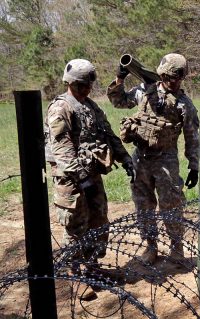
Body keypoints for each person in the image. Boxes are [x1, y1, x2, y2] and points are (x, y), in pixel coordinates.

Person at [44, 59, 134, 300]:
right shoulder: (61, 108)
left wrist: (125, 159)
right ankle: (75, 276)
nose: (86, 89)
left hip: (91, 175)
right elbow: (62, 149)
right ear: (70, 82)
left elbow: (108, 134)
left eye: (88, 85)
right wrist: (80, 177)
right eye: (82, 85)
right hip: (70, 179)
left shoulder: (91, 106)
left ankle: (92, 268)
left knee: (99, 221)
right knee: (75, 226)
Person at [107, 53, 199, 264]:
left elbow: (192, 136)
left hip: (166, 159)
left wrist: (194, 165)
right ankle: (150, 246)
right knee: (143, 204)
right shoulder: (144, 92)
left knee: (171, 204)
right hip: (141, 157)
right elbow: (119, 101)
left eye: (177, 78)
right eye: (168, 77)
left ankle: (177, 247)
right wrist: (120, 79)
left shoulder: (184, 104)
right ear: (162, 75)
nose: (172, 82)